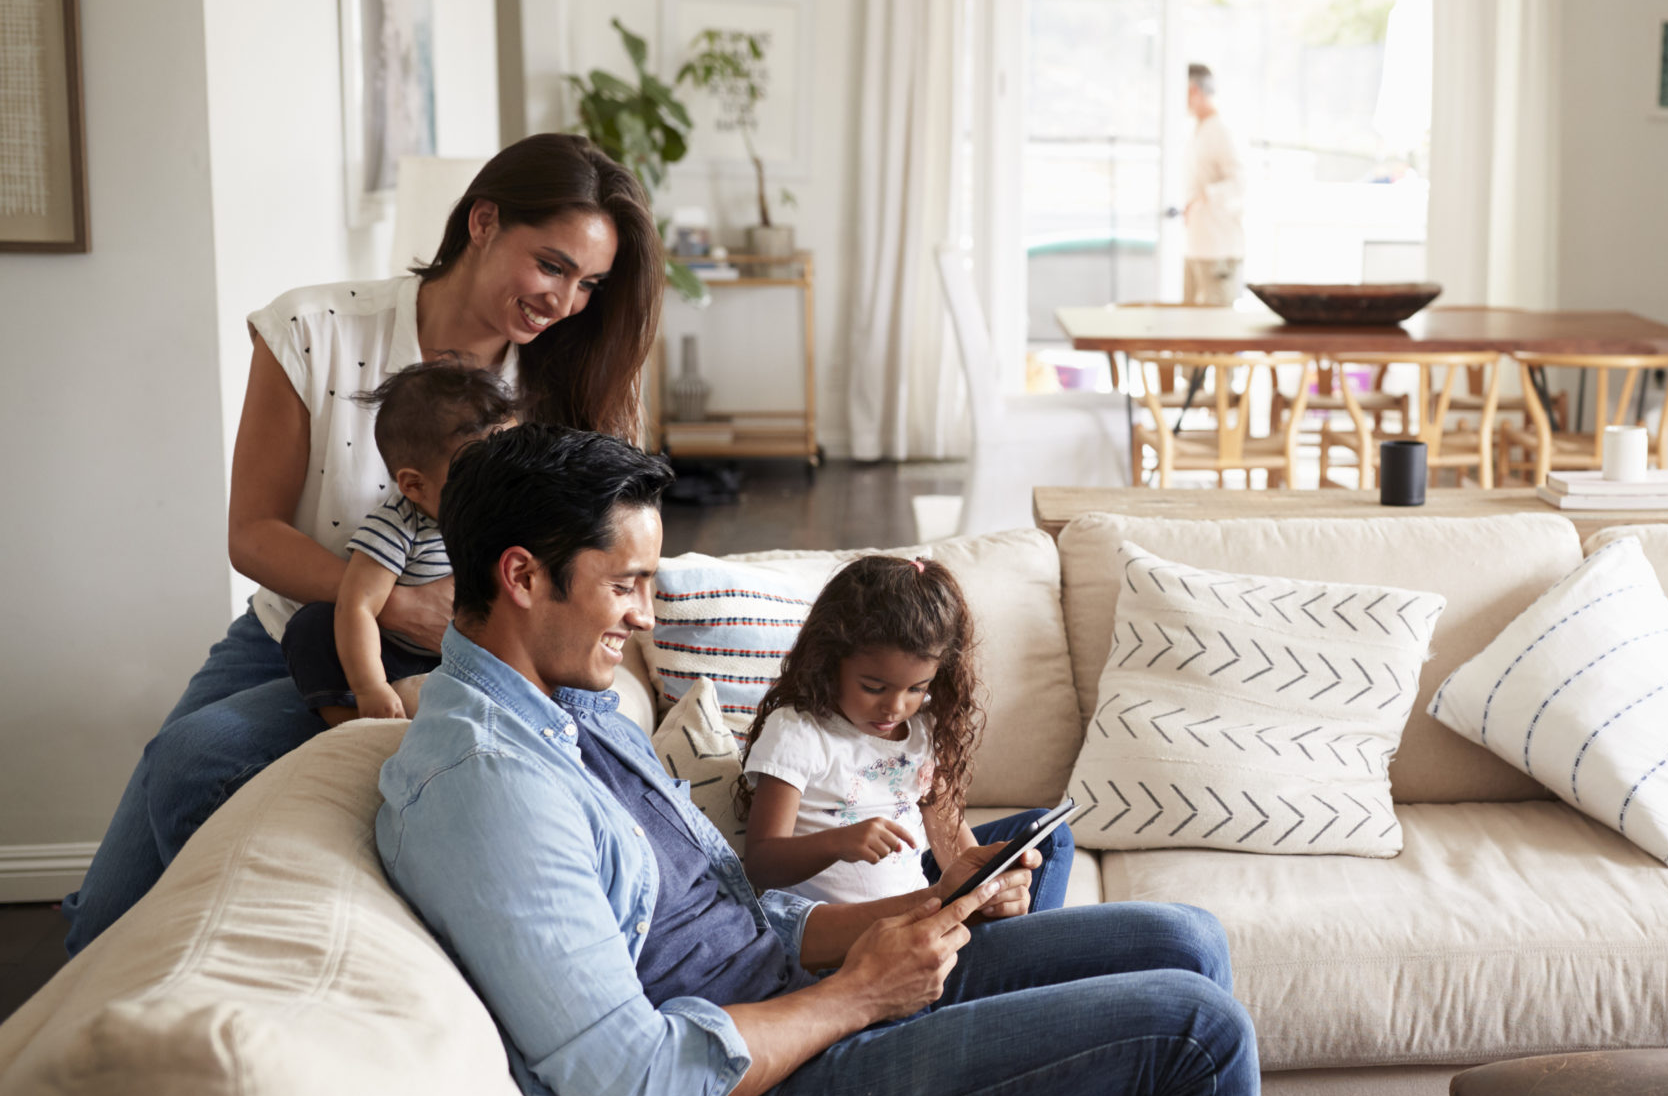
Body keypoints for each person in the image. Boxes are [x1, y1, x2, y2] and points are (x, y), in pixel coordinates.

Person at [374, 426, 1344, 1096]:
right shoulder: (491, 788)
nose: (642, 617)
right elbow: (632, 1086)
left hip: (796, 1002)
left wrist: (903, 918)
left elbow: (738, 915)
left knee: (1181, 938)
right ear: (521, 577)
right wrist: (861, 996)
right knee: (1193, 1032)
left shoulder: (571, 713)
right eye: (624, 585)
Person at [63, 133, 663, 954]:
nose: (565, 301)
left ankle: (239, 968)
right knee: (100, 922)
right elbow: (254, 532)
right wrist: (399, 601)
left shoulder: (559, 385)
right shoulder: (315, 328)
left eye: (589, 283)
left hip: (446, 662)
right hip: (292, 627)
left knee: (198, 759)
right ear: (482, 221)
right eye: (552, 265)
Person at [734, 555, 1074, 913]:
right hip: (855, 931)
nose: (894, 707)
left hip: (921, 906)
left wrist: (989, 890)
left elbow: (955, 850)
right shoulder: (799, 733)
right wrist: (838, 842)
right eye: (873, 687)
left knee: (1051, 838)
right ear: (829, 661)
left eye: (916, 688)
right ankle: (1020, 950)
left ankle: (1015, 942)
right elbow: (761, 862)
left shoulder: (921, 729)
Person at [281, 360, 516, 725]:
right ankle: (351, 722)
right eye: (478, 475)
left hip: (475, 657)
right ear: (414, 485)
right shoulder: (399, 526)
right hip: (398, 659)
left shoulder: (509, 516)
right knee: (314, 624)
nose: (501, 487)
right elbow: (357, 606)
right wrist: (370, 686)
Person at [1182, 62, 1248, 307]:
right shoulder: (1196, 130)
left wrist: (1203, 197)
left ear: (1193, 91)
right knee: (1189, 329)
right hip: (1195, 247)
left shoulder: (1222, 130)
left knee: (1215, 330)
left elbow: (1240, 182)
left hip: (1218, 249)